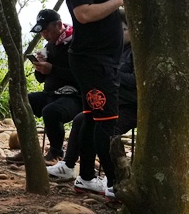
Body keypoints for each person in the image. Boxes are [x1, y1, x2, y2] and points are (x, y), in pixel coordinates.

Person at [63, 0, 124, 199]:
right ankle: (114, 183)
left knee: (91, 118)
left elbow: (106, 19)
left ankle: (87, 176)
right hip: (93, 62)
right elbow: (84, 14)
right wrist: (120, 0)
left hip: (102, 60)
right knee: (107, 121)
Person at [49, 15, 136, 187]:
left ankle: (115, 180)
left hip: (131, 106)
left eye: (123, 30)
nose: (118, 34)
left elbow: (135, 81)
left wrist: (110, 72)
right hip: (111, 102)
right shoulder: (114, 50)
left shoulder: (136, 53)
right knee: (81, 119)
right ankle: (71, 166)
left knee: (105, 129)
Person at [8, 9, 80, 163]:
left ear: (59, 25)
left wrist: (52, 69)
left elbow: (81, 75)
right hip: (51, 94)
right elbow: (41, 79)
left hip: (74, 97)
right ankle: (28, 149)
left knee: (51, 111)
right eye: (42, 32)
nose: (45, 35)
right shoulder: (49, 46)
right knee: (18, 101)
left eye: (47, 31)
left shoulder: (77, 43)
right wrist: (40, 66)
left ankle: (56, 153)